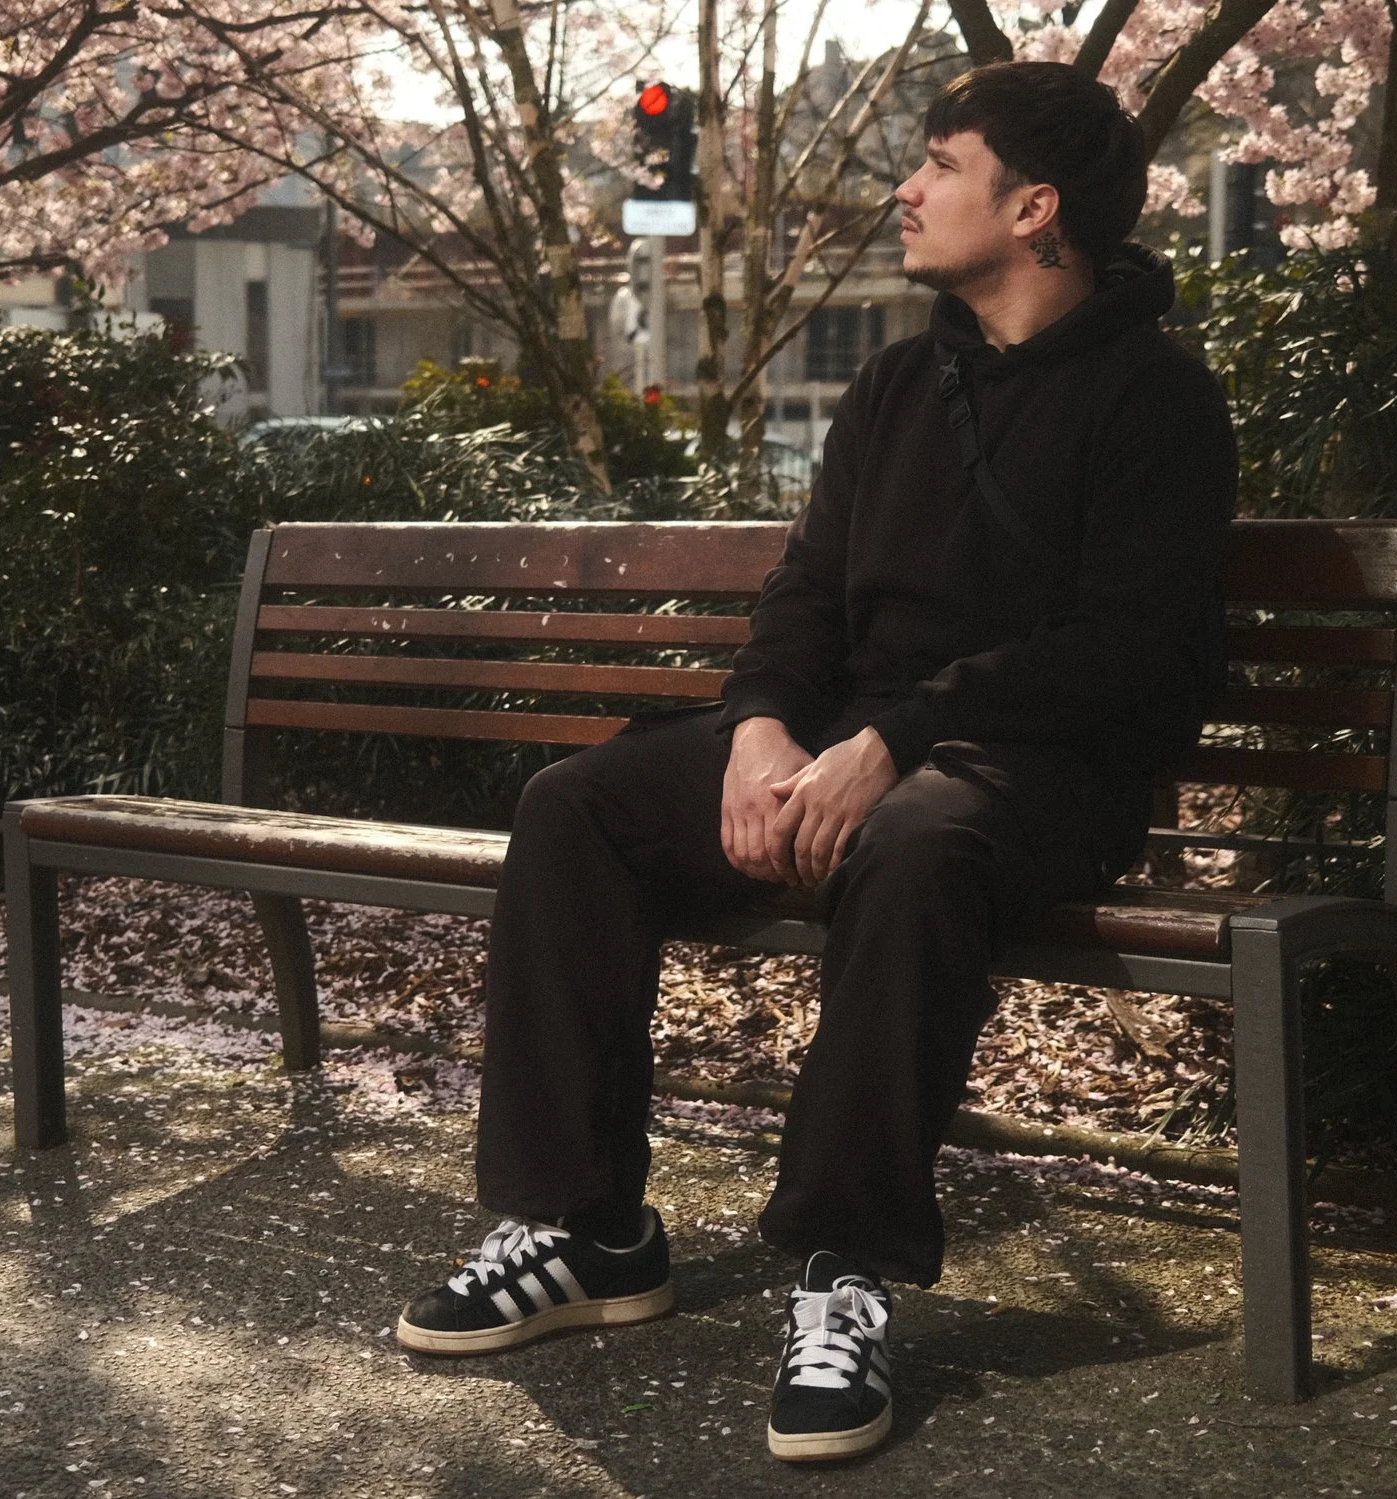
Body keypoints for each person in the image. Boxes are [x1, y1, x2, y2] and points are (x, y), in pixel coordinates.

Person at [393, 59, 1237, 1462]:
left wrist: (894, 740)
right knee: (577, 808)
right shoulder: (899, 383)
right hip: (847, 739)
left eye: (940, 164)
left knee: (912, 848)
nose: (905, 189)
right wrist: (762, 730)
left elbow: (1123, 648)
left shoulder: (1158, 400)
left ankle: (845, 1272)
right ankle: (588, 1226)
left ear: (1035, 209)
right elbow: (803, 594)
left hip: (1038, 773)